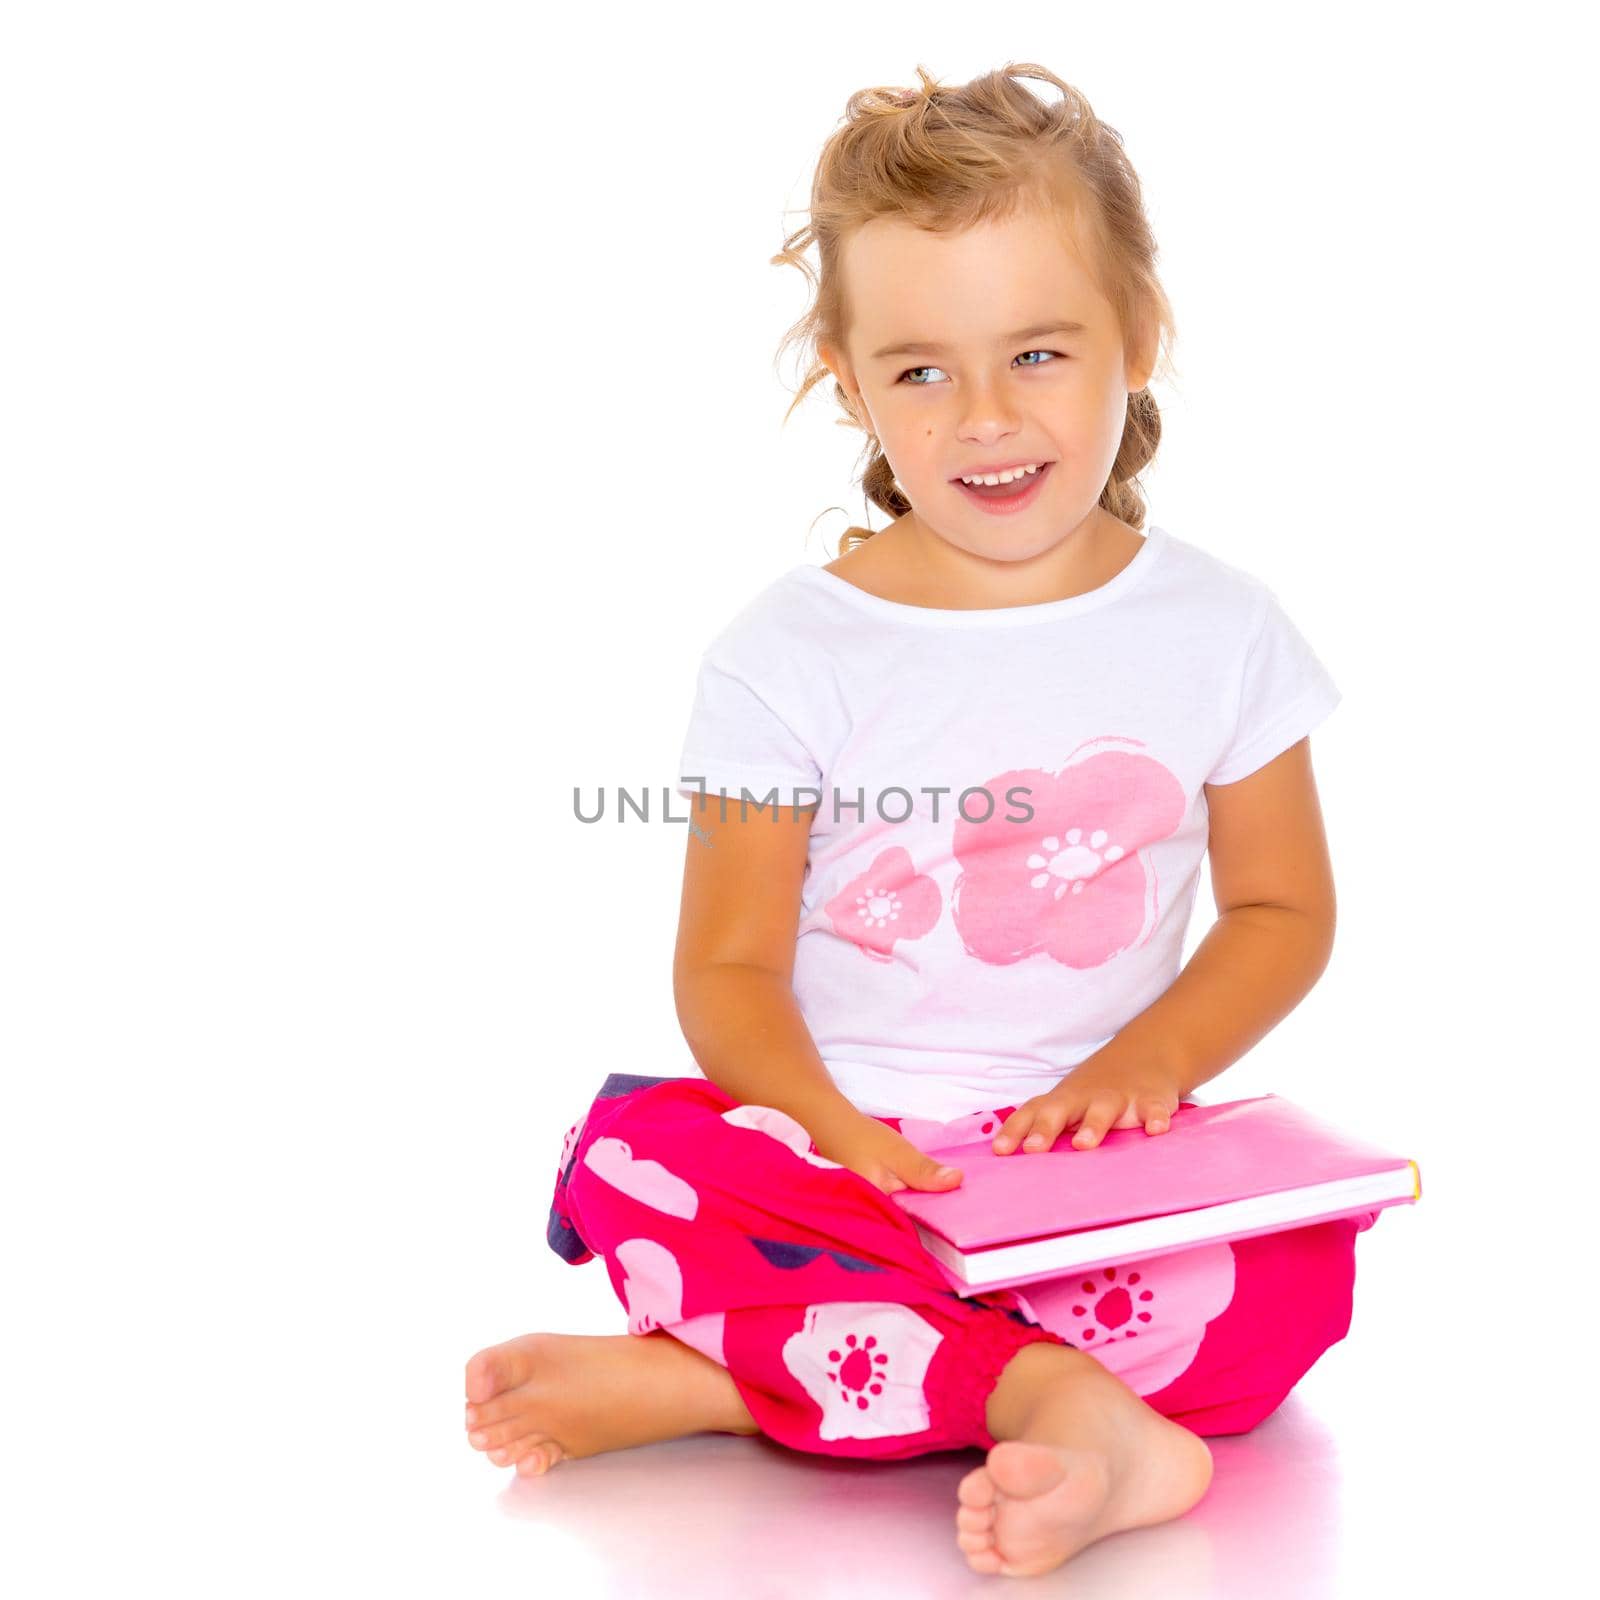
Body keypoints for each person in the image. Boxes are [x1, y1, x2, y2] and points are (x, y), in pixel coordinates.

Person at [464, 62, 1374, 1579]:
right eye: (923, 371)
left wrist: (1144, 1069)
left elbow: (1284, 909)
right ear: (847, 373)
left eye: (1037, 351)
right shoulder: (788, 653)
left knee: (1285, 1293)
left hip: (1084, 1163)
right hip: (835, 1160)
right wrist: (831, 1131)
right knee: (637, 1156)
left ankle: (740, 1382)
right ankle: (1052, 1397)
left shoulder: (1221, 629)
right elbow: (730, 972)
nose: (989, 418)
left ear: (1137, 338)